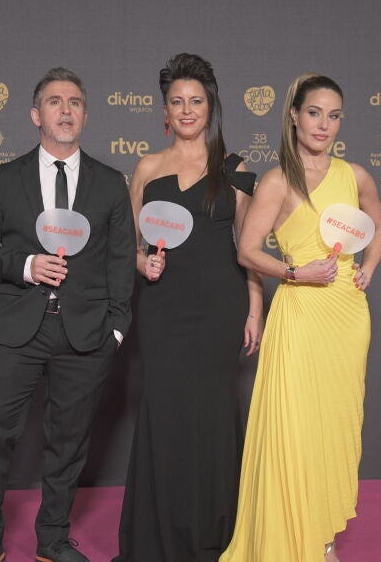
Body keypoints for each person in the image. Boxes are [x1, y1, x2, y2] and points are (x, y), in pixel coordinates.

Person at [0, 67, 136, 562]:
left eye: (75, 102)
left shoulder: (110, 182)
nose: (66, 110)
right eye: (55, 102)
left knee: (68, 443)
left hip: (86, 335)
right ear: (36, 115)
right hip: (17, 329)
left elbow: (120, 260)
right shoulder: (7, 177)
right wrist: (25, 265)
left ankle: (53, 540)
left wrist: (116, 330)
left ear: (85, 115)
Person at [219, 73, 381, 562]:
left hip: (347, 315)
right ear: (294, 115)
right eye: (314, 113)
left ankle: (324, 537)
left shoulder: (355, 176)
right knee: (295, 428)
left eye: (334, 116)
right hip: (299, 312)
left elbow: (379, 225)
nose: (323, 125)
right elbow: (248, 251)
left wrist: (368, 268)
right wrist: (295, 272)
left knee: (336, 424)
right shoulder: (277, 181)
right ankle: (295, 540)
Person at [112, 53, 263, 562]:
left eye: (195, 101)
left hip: (220, 306)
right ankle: (160, 538)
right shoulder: (147, 168)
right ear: (165, 112)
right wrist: (143, 264)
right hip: (163, 308)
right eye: (176, 102)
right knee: (165, 412)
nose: (186, 110)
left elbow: (249, 247)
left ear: (210, 107)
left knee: (213, 414)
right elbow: (127, 245)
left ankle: (216, 537)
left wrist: (255, 308)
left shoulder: (234, 169)